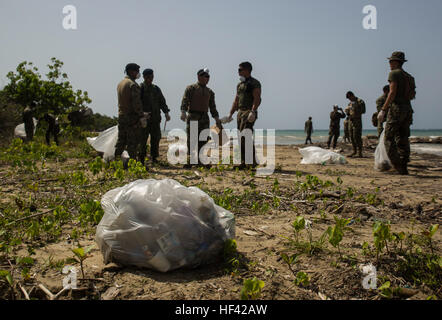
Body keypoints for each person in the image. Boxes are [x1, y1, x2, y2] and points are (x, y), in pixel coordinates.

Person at [377, 51, 416, 175]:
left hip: (396, 109)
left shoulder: (394, 74)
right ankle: (403, 166)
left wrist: (383, 109)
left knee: (388, 137)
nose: (389, 63)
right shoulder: (409, 77)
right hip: (407, 109)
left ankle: (397, 166)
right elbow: (412, 95)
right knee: (403, 138)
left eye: (390, 61)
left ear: (395, 62)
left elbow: (392, 92)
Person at [180, 68, 221, 168]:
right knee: (192, 139)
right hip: (193, 116)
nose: (207, 78)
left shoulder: (210, 92)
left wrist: (216, 119)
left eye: (208, 76)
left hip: (204, 117)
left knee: (203, 139)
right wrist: (183, 112)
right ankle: (191, 160)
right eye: (204, 76)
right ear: (198, 76)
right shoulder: (191, 88)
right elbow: (185, 100)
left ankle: (201, 160)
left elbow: (212, 107)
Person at [227, 62, 262, 169]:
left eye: (240, 70)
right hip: (240, 113)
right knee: (240, 137)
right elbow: (236, 100)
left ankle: (252, 162)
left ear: (247, 70)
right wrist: (230, 114)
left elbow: (257, 99)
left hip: (248, 112)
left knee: (246, 136)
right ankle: (243, 162)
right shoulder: (240, 85)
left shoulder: (254, 83)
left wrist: (253, 111)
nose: (238, 72)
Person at [115, 63, 145, 168]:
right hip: (131, 118)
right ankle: (133, 164)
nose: (138, 74)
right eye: (136, 71)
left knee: (121, 140)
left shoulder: (121, 83)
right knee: (133, 142)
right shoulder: (133, 84)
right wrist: (141, 115)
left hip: (121, 116)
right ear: (132, 71)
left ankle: (116, 162)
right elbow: (136, 103)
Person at [138, 69, 171, 165]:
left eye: (152, 77)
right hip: (144, 119)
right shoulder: (140, 88)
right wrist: (140, 115)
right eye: (148, 77)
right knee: (142, 139)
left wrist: (166, 113)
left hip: (155, 119)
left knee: (156, 138)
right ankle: (141, 158)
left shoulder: (156, 89)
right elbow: (137, 103)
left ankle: (154, 157)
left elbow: (162, 102)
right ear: (144, 77)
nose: (150, 79)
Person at [346, 91, 366, 157]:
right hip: (351, 122)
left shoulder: (360, 101)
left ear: (352, 95)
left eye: (350, 98)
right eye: (349, 99)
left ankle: (359, 152)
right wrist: (347, 111)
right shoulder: (350, 103)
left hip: (357, 122)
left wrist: (355, 109)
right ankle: (354, 151)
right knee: (351, 136)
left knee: (357, 137)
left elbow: (363, 111)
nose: (350, 99)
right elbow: (348, 113)